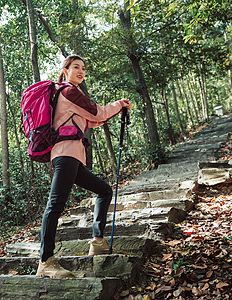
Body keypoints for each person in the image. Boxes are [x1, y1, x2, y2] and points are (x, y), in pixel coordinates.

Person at [35, 55, 132, 278]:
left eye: (83, 68)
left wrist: (116, 110)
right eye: (76, 67)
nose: (81, 71)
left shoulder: (67, 95)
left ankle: (97, 241)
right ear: (65, 70)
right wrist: (117, 104)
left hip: (72, 157)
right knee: (55, 206)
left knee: (104, 190)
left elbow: (92, 120)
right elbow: (97, 112)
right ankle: (45, 261)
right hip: (66, 155)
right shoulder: (69, 91)